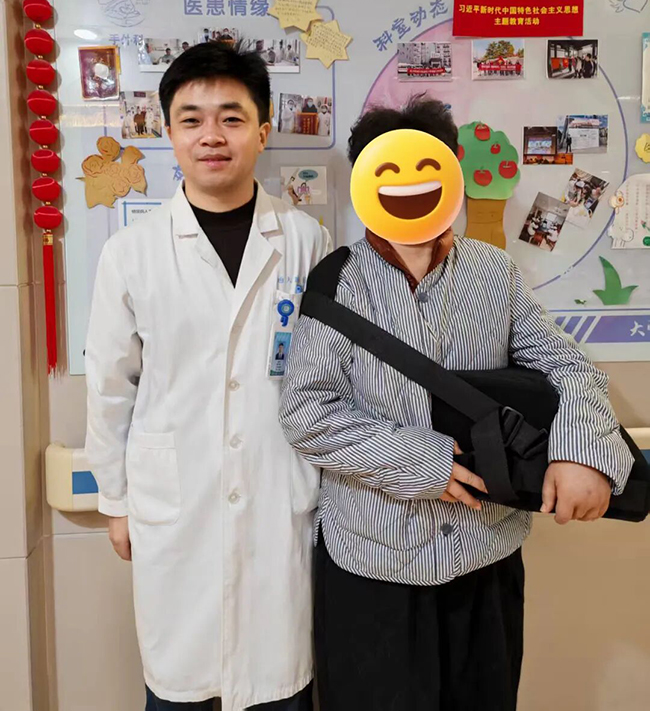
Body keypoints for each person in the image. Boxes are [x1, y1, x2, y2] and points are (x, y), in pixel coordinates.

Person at [279, 96, 632, 711]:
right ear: (364, 184)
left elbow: (567, 365)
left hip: (483, 554)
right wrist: (426, 463)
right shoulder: (336, 281)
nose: (410, 185)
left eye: (428, 166)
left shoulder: (495, 273)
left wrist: (581, 454)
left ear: (453, 175)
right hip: (370, 558)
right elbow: (308, 412)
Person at [85, 41, 331, 711]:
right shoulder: (131, 253)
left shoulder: (306, 240)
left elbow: (329, 376)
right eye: (191, 119)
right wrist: (116, 501)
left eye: (231, 117)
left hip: (279, 498)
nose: (211, 136)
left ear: (263, 130)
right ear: (168, 133)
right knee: (181, 686)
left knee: (280, 683)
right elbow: (110, 385)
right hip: (175, 507)